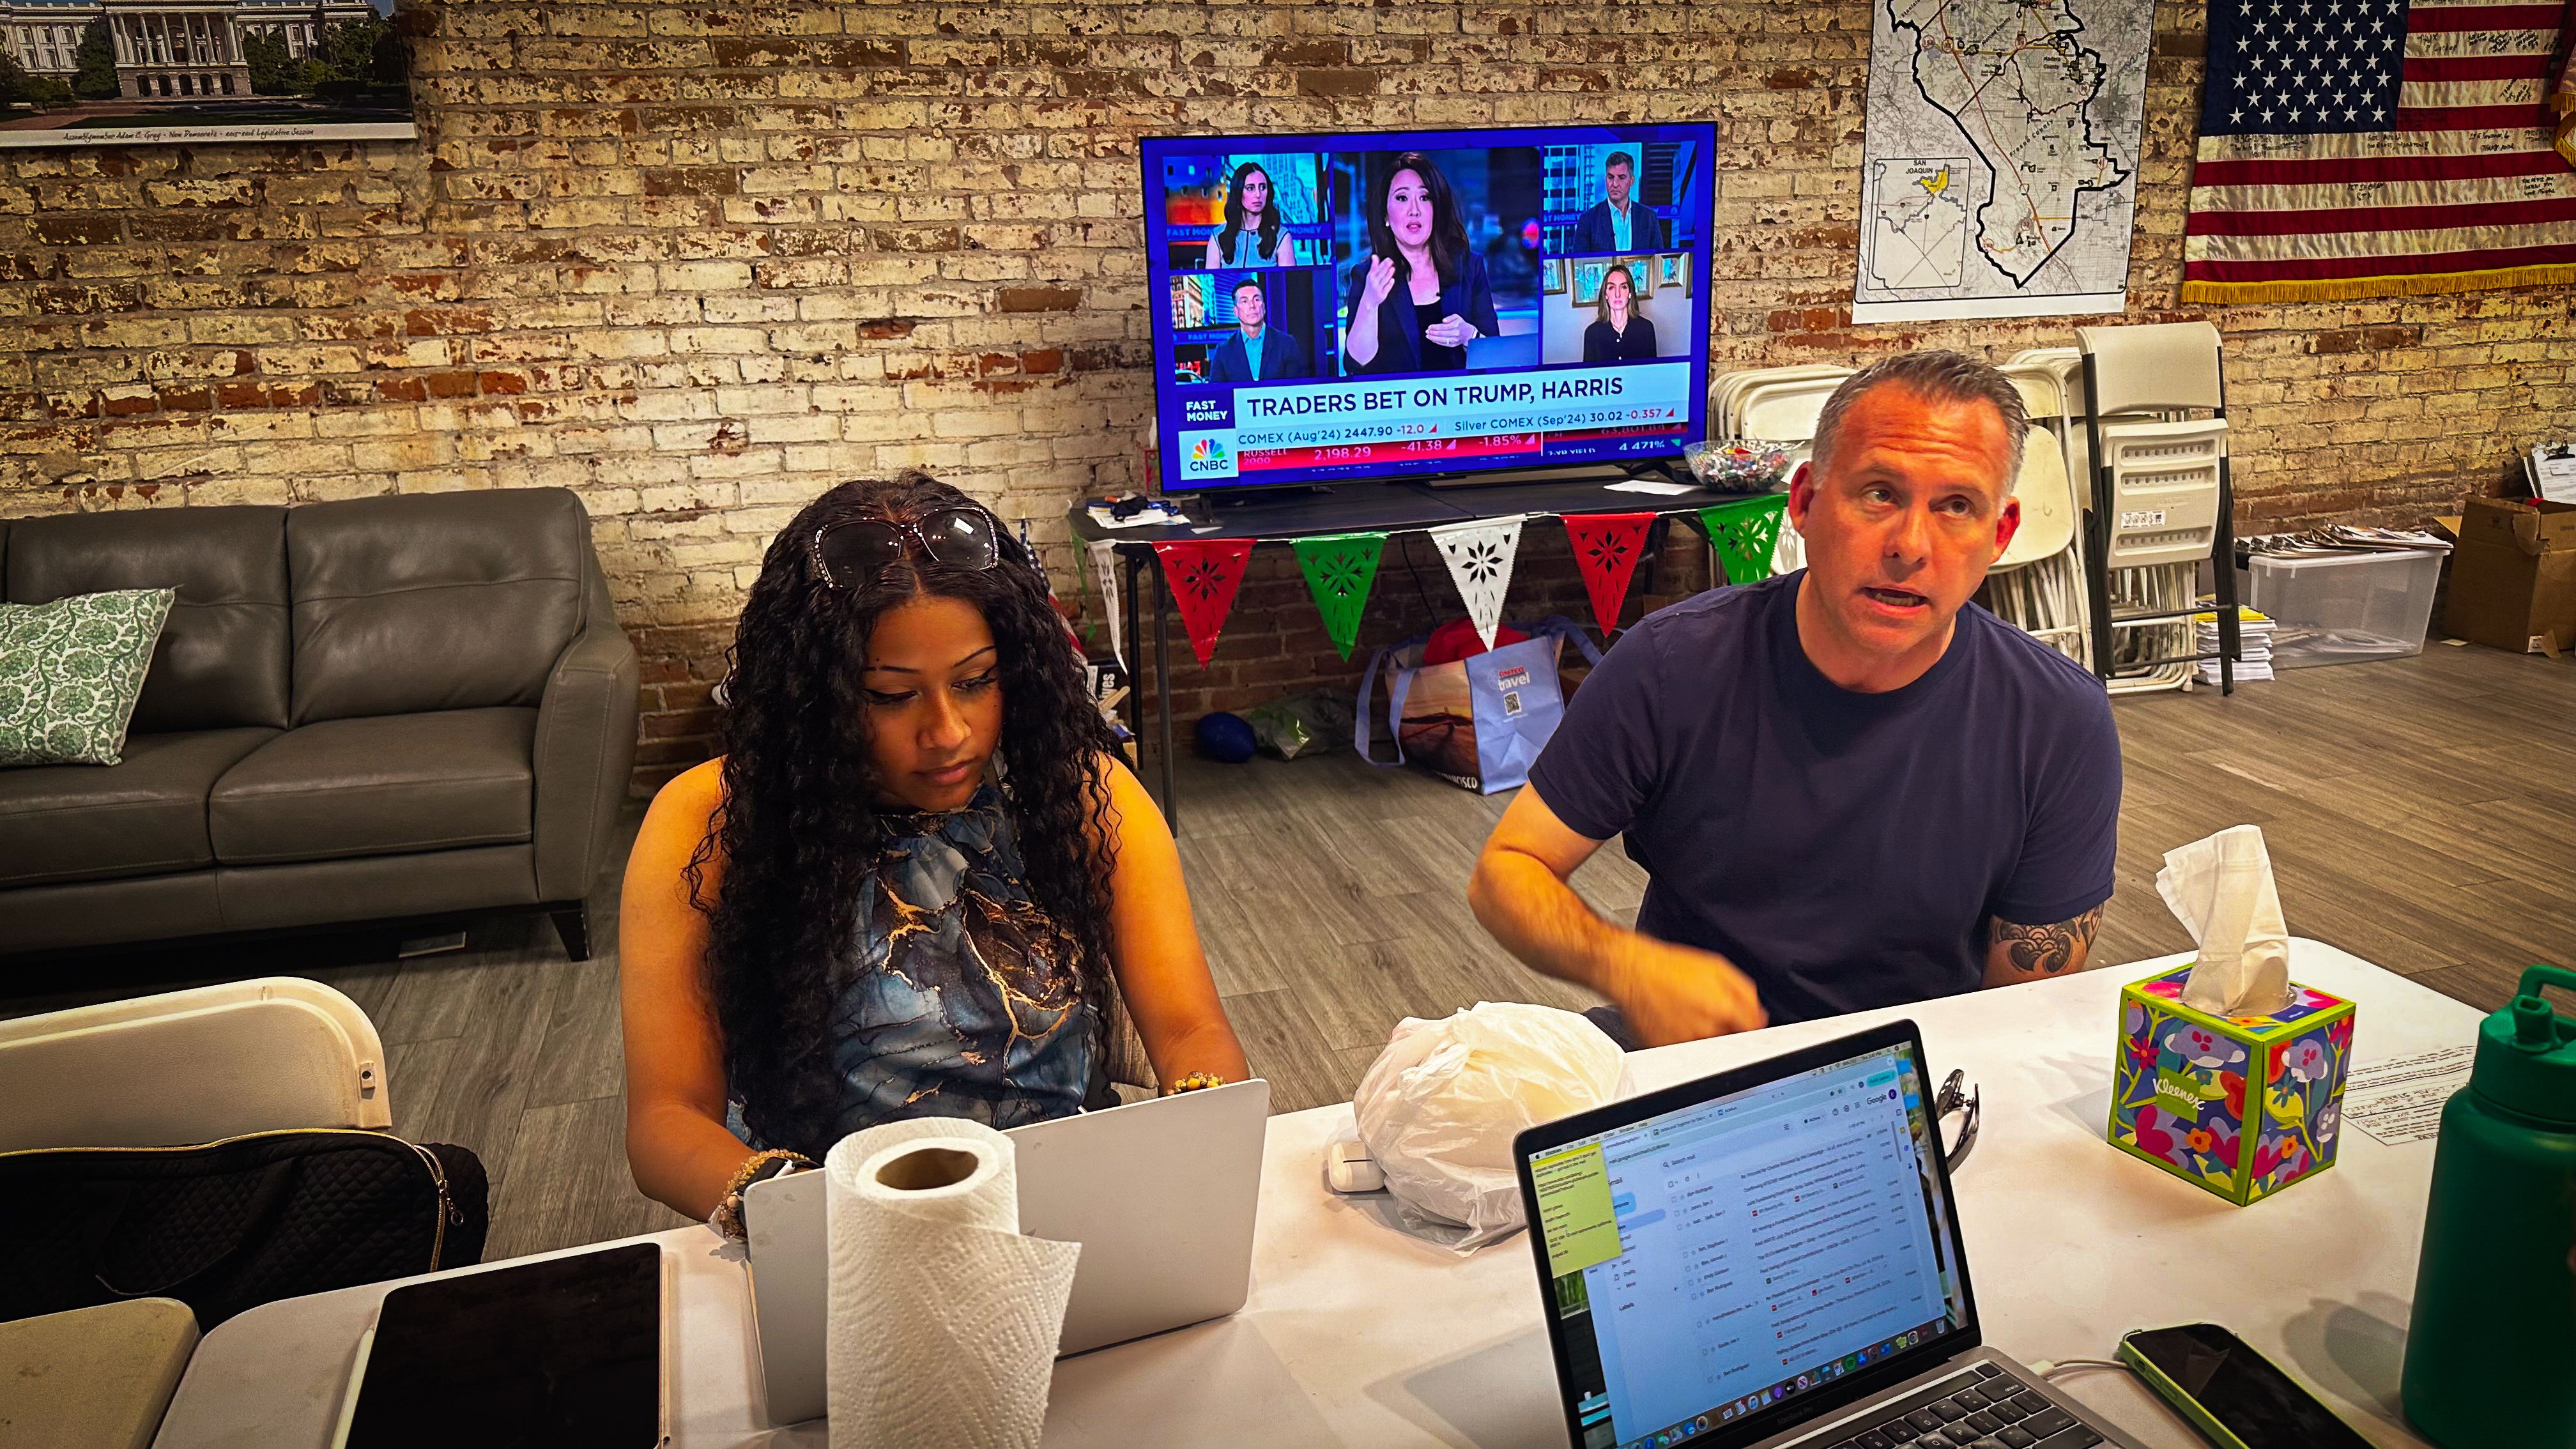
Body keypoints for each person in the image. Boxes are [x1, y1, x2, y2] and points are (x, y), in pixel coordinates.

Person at [621, 473, 1251, 1238]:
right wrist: (793, 1208)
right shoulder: (710, 820)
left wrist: (1200, 1110)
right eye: (891, 695)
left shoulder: (1081, 794)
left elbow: (1190, 1032)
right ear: (813, 696)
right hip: (831, 1222)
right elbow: (666, 1121)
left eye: (976, 682)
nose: (949, 732)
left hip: (1065, 1212)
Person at [1466, 351, 2120, 1048]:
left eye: (1956, 506)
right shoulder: (1671, 665)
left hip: (1913, 1077)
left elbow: (2017, 1018)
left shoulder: (2058, 724)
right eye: (1878, 493)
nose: (1909, 545)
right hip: (1690, 1056)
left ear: (2000, 533)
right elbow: (1508, 871)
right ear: (1804, 502)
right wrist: (1627, 967)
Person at [1343, 152, 1501, 376]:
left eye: (1425, 197)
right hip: (1398, 408)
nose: (1414, 210)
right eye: (1402, 198)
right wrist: (1370, 302)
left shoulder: (1469, 266)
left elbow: (1498, 358)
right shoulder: (1367, 275)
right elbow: (1356, 364)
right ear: (1386, 215)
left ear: (1437, 208)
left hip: (1461, 405)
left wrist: (1470, 336)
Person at [1206, 275, 1310, 383]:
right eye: (1244, 301)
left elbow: (1298, 389)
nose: (1252, 306)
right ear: (1235, 311)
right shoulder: (1223, 351)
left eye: (1256, 299)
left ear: (1264, 307)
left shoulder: (1287, 343)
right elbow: (1218, 395)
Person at [1204, 160, 1299, 268]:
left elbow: (1289, 282)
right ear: (1238, 192)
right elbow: (1212, 281)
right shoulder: (1218, 236)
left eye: (1263, 187)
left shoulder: (1282, 237)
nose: (1258, 194)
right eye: (1250, 188)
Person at [1567, 151, 1667, 253]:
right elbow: (1578, 264)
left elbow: (1658, 260)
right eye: (1611, 177)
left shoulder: (1649, 217)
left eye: (1621, 178)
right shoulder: (1588, 219)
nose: (1615, 184)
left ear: (1632, 180)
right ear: (1605, 179)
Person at [1579, 263, 1657, 363]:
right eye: (1611, 288)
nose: (1617, 294)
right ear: (1606, 295)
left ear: (1630, 293)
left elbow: (1652, 373)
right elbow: (1590, 375)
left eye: (1623, 287)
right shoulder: (1592, 333)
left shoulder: (1646, 329)